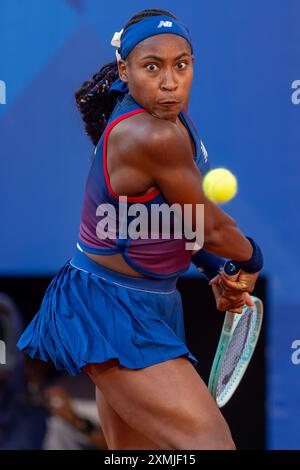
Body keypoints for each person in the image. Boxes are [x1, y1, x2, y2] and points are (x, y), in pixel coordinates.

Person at [17, 8, 263, 450]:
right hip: (109, 310)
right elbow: (209, 225)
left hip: (149, 302)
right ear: (124, 70)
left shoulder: (171, 121)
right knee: (212, 444)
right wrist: (248, 259)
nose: (170, 82)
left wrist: (212, 270)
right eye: (152, 67)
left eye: (180, 65)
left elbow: (171, 218)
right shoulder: (151, 135)